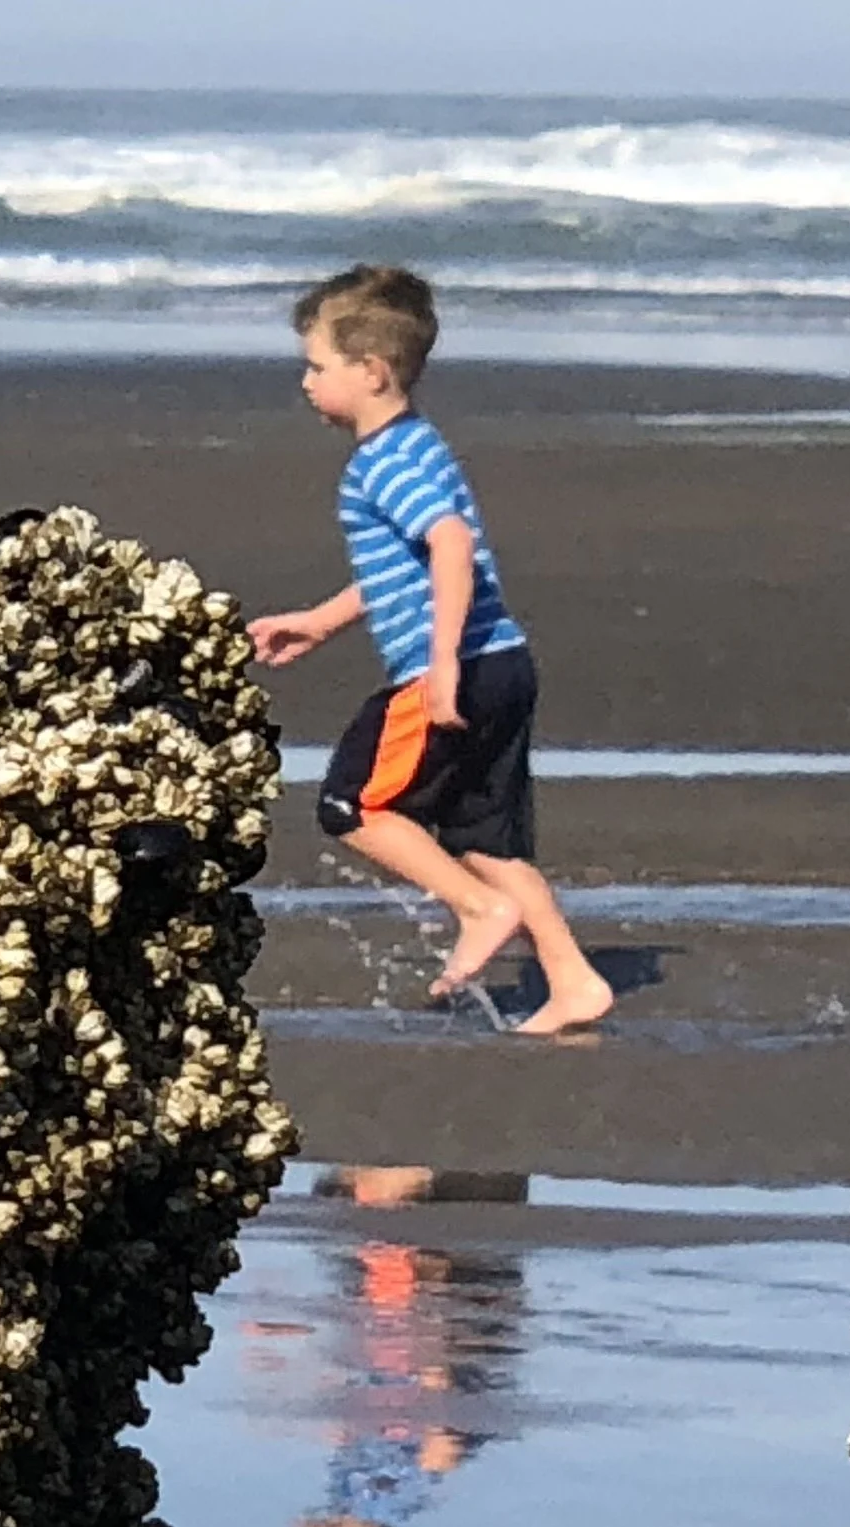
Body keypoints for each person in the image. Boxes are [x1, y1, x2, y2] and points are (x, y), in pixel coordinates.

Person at [247, 265, 612, 1034]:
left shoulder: (380, 462)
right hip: (503, 661)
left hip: (453, 670)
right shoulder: (418, 444)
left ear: (371, 372)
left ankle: (479, 910)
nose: (307, 383)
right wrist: (321, 619)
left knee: (353, 803)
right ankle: (573, 979)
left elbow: (450, 545)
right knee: (485, 839)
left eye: (318, 367)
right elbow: (411, 565)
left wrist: (440, 664)